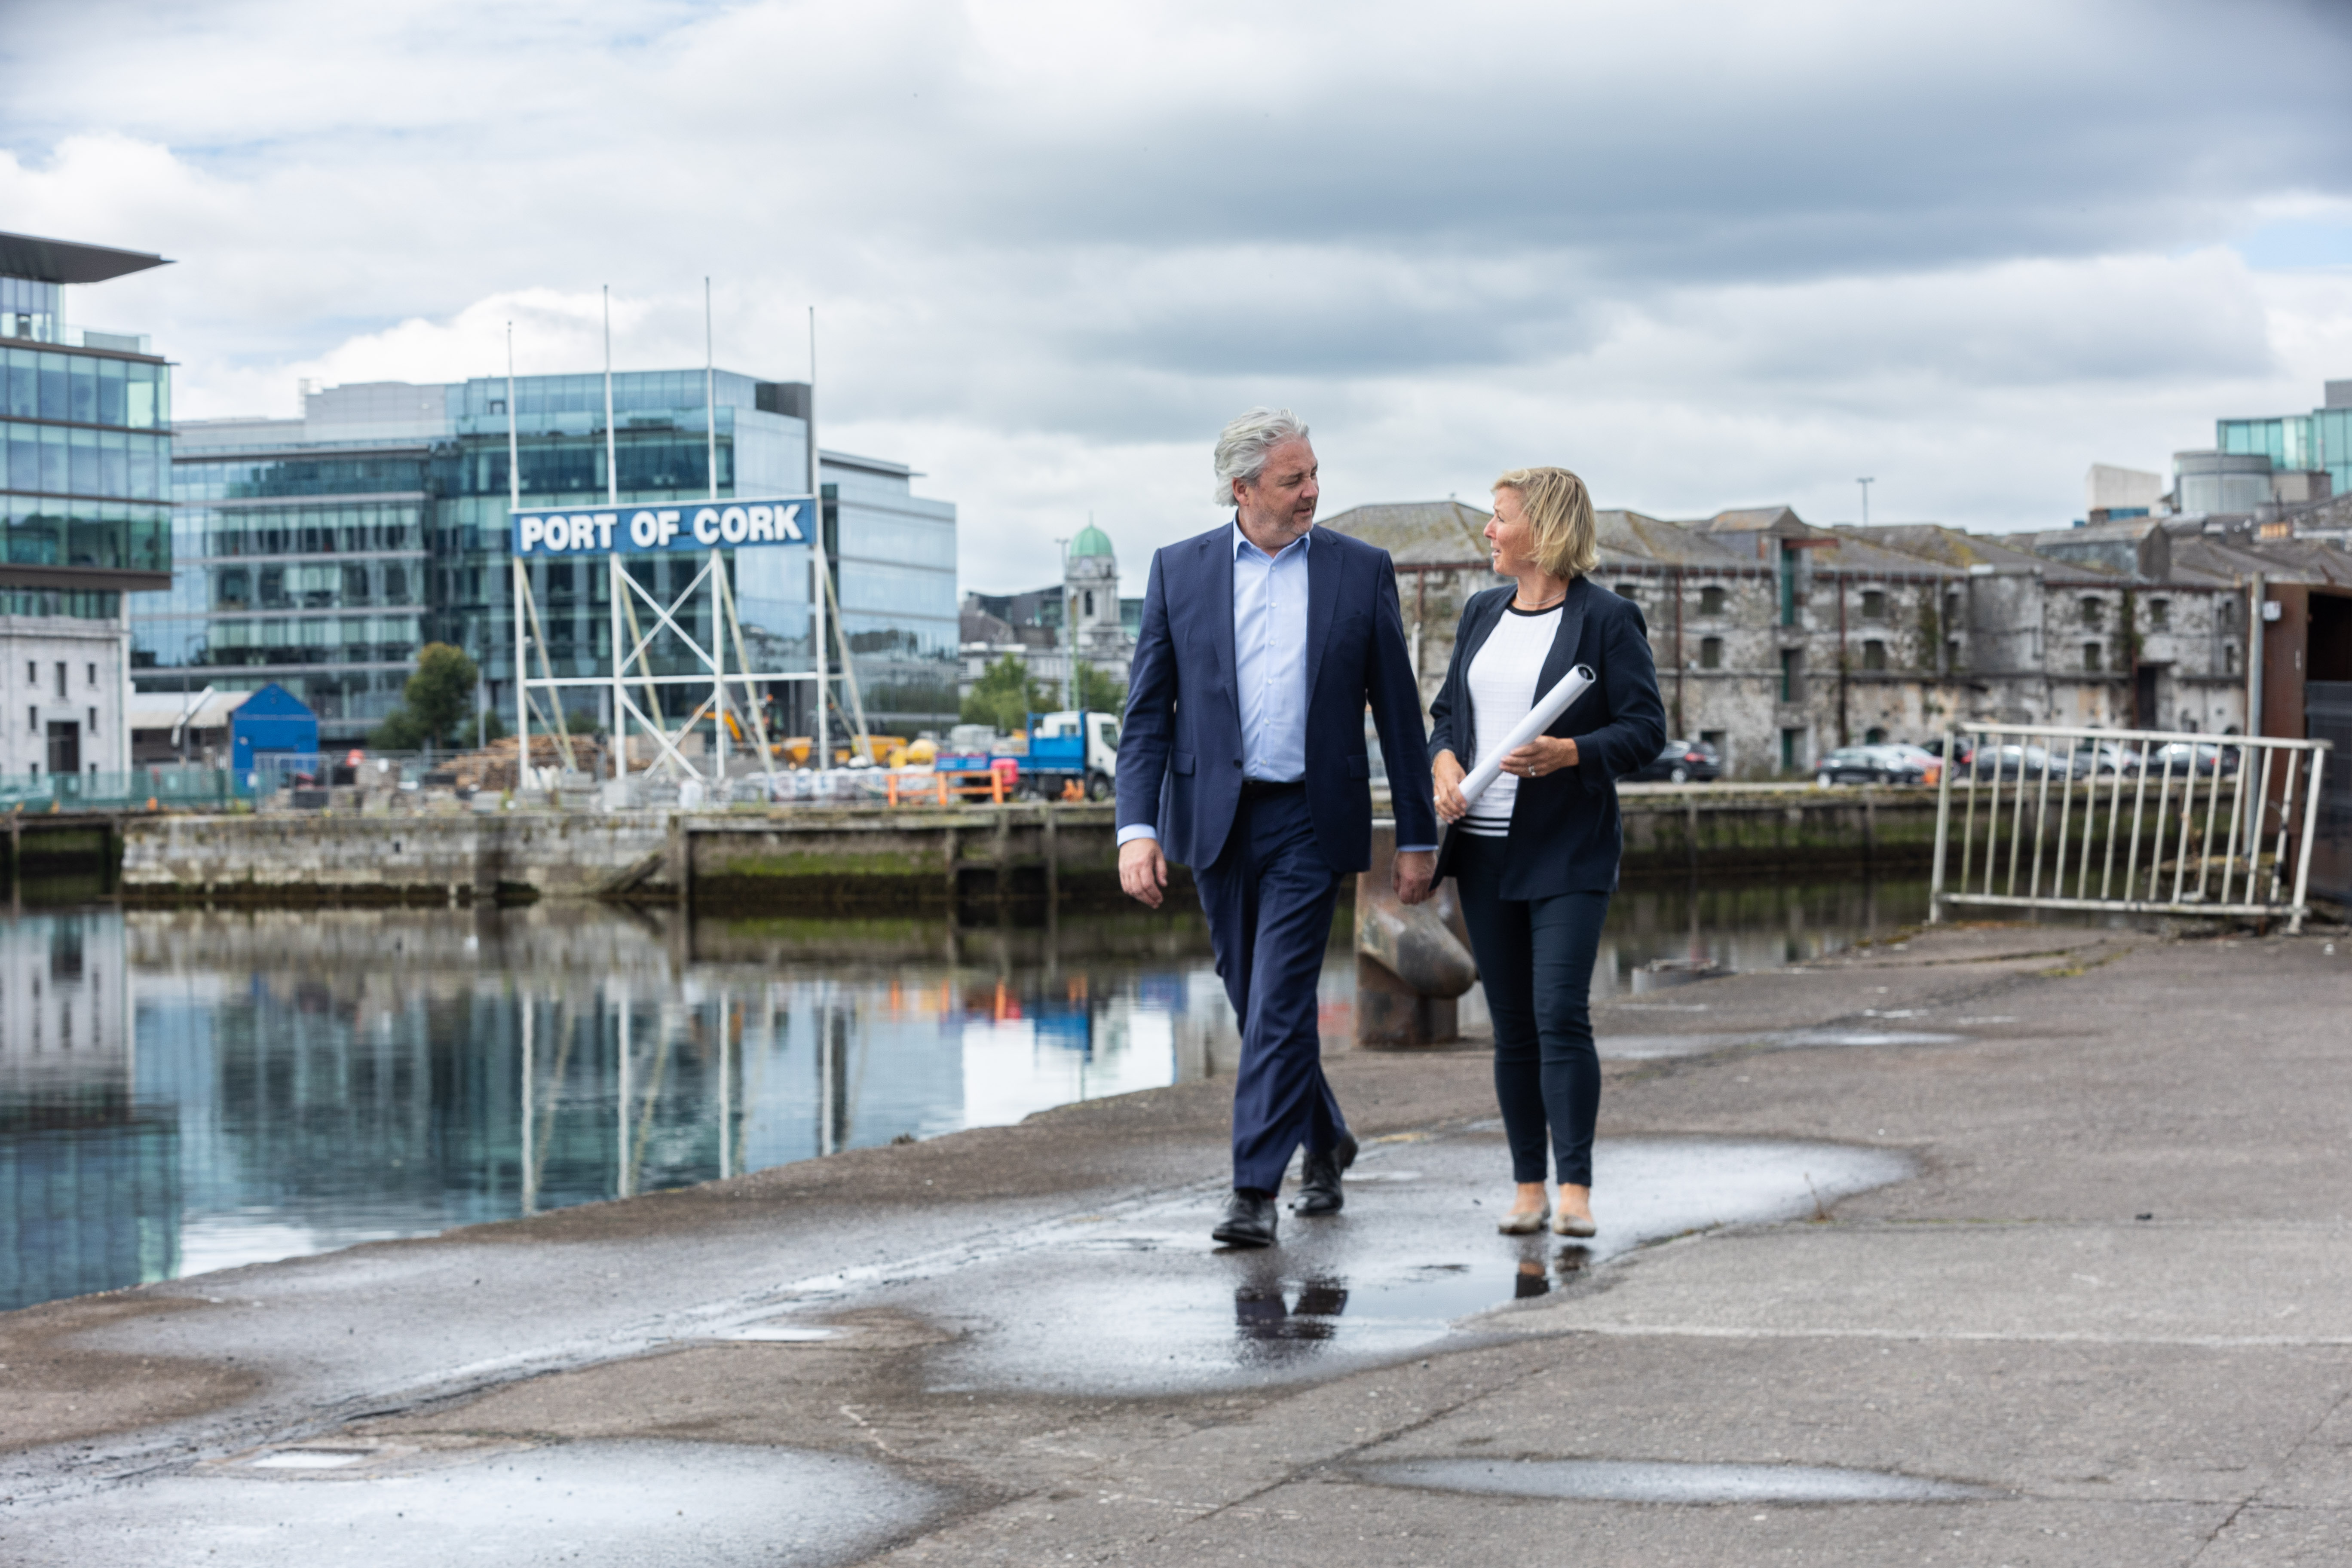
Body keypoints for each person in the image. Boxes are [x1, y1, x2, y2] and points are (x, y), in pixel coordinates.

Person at [1116, 407, 1440, 1249]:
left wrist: (1416, 836)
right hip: (1214, 823)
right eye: (1294, 479)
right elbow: (1148, 717)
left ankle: (1252, 1191)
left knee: (1282, 998)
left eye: (1314, 473)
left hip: (1310, 816)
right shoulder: (1178, 571)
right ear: (1243, 487)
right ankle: (1326, 1136)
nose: (1313, 491)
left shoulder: (1358, 571)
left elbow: (1399, 717)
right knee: (1259, 1005)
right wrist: (1135, 830)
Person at [1428, 468, 1666, 1238]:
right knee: (1512, 1027)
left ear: (1545, 528)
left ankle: (1577, 1192)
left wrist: (1572, 753)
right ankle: (1528, 1187)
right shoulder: (1480, 613)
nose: (1489, 532)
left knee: (1560, 1014)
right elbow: (1445, 717)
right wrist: (1445, 765)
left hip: (1567, 852)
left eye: (1500, 519)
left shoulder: (1607, 618)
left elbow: (1645, 730)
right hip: (1484, 852)